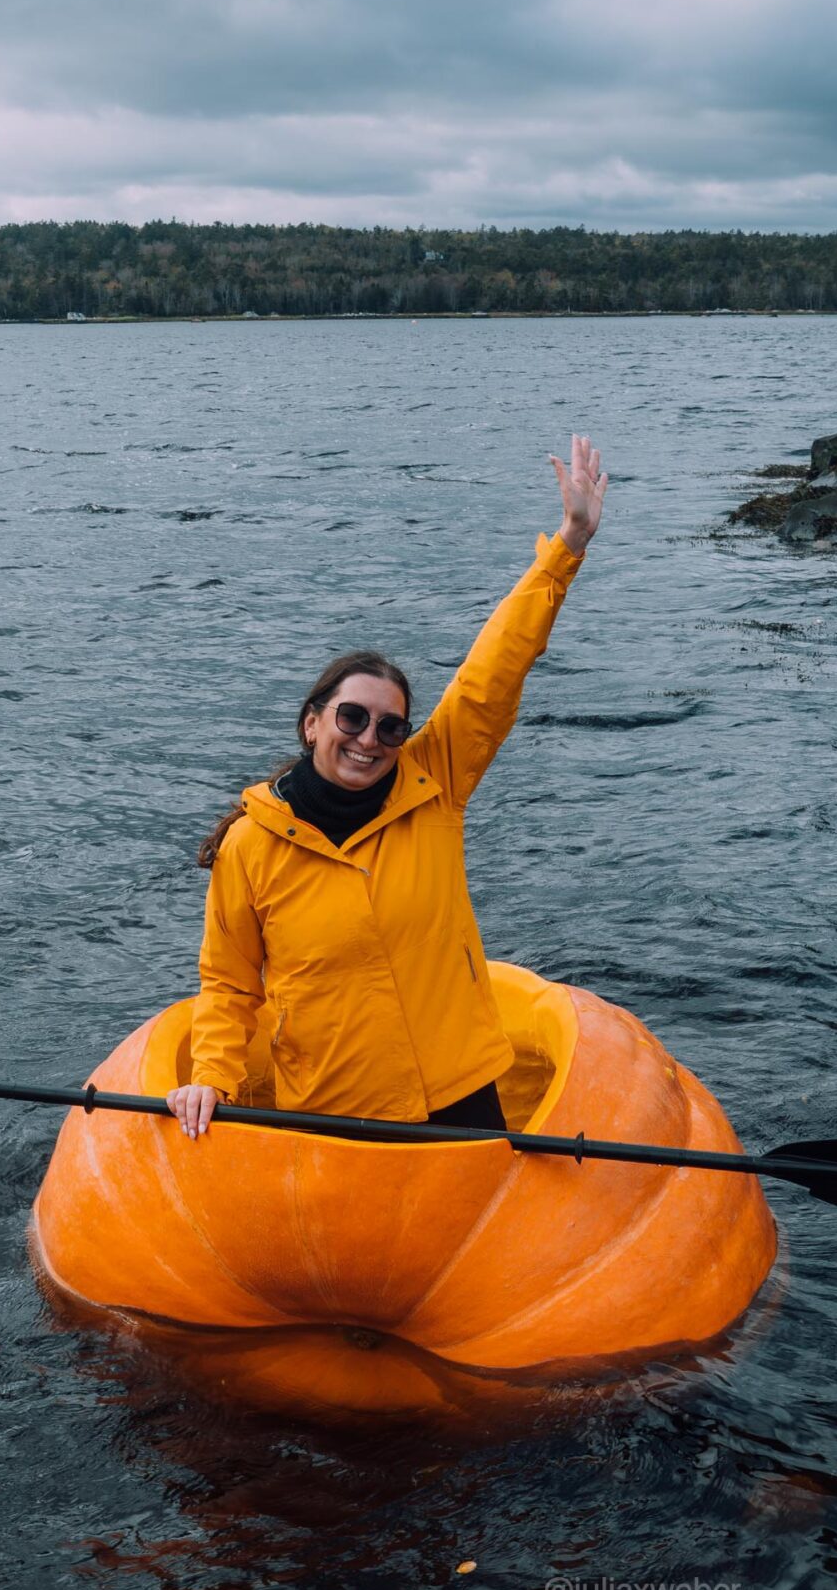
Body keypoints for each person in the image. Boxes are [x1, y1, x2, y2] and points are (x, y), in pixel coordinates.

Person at [167, 434, 608, 1140]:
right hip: (335, 1107)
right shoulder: (249, 846)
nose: (369, 739)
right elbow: (228, 984)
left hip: (458, 1091)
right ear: (312, 724)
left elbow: (494, 670)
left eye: (390, 727)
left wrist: (568, 546)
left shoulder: (436, 782)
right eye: (352, 717)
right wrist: (212, 1078)